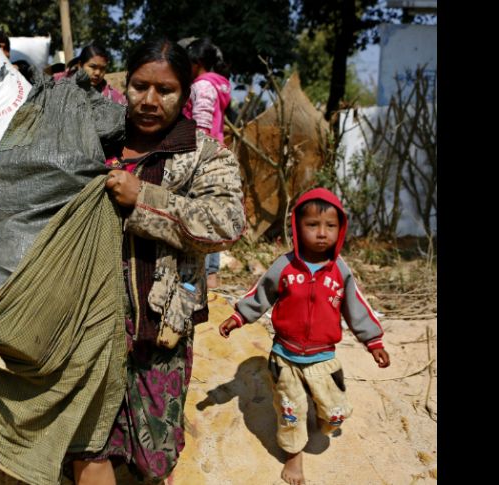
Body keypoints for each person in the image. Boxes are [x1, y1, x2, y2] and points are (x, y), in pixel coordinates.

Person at [69, 38, 245, 484]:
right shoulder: (96, 143)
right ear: (123, 86)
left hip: (161, 323)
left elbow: (225, 225)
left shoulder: (205, 155)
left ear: (185, 94)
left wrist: (142, 199)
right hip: (89, 321)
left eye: (164, 90)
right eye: (139, 86)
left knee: (154, 456)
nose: (149, 100)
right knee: (89, 442)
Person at [218, 188, 391, 485]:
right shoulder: (284, 267)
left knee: (334, 413)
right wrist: (239, 316)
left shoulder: (340, 271)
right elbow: (261, 293)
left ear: (340, 229)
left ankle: (320, 414)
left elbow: (356, 307)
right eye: (312, 225)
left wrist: (373, 342)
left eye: (330, 226)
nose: (322, 233)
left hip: (324, 358)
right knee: (290, 410)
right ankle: (293, 455)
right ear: (297, 226)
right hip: (286, 356)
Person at [183, 38, 233, 290]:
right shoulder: (220, 85)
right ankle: (211, 273)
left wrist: (194, 156)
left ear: (198, 63)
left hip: (202, 155)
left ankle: (203, 272)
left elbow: (201, 122)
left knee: (200, 213)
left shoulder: (202, 85)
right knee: (212, 213)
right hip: (217, 153)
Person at [55, 44, 127, 106]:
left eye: (102, 68)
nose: (97, 73)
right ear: (80, 65)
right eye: (93, 67)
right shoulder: (56, 82)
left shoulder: (112, 97)